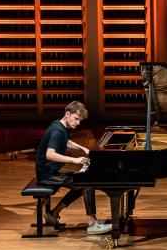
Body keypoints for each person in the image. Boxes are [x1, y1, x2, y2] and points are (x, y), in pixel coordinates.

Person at [36, 101, 111, 235]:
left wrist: (83, 149)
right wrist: (74, 160)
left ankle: (53, 214)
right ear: (67, 114)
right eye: (76, 119)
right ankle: (92, 223)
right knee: (86, 184)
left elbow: (66, 142)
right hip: (48, 174)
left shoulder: (59, 125)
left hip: (51, 170)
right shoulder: (57, 131)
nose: (78, 123)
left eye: (80, 120)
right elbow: (50, 154)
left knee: (81, 183)